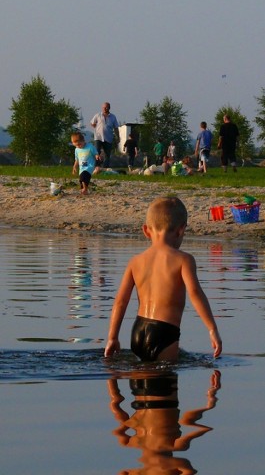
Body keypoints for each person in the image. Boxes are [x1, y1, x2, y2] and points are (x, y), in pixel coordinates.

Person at [104, 196, 222, 362]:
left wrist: (113, 338)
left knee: (140, 384)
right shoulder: (183, 260)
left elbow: (120, 302)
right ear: (181, 230)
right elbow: (195, 293)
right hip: (165, 332)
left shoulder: (135, 261)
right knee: (166, 382)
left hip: (137, 331)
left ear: (146, 231)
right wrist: (212, 329)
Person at [90, 102, 119, 168]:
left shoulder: (113, 117)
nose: (105, 109)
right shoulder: (98, 115)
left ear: (109, 108)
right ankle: (96, 166)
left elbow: (116, 128)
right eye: (103, 107)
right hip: (98, 137)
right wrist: (94, 125)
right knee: (97, 152)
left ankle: (105, 167)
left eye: (106, 107)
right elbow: (92, 122)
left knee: (107, 154)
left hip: (108, 138)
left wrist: (118, 137)